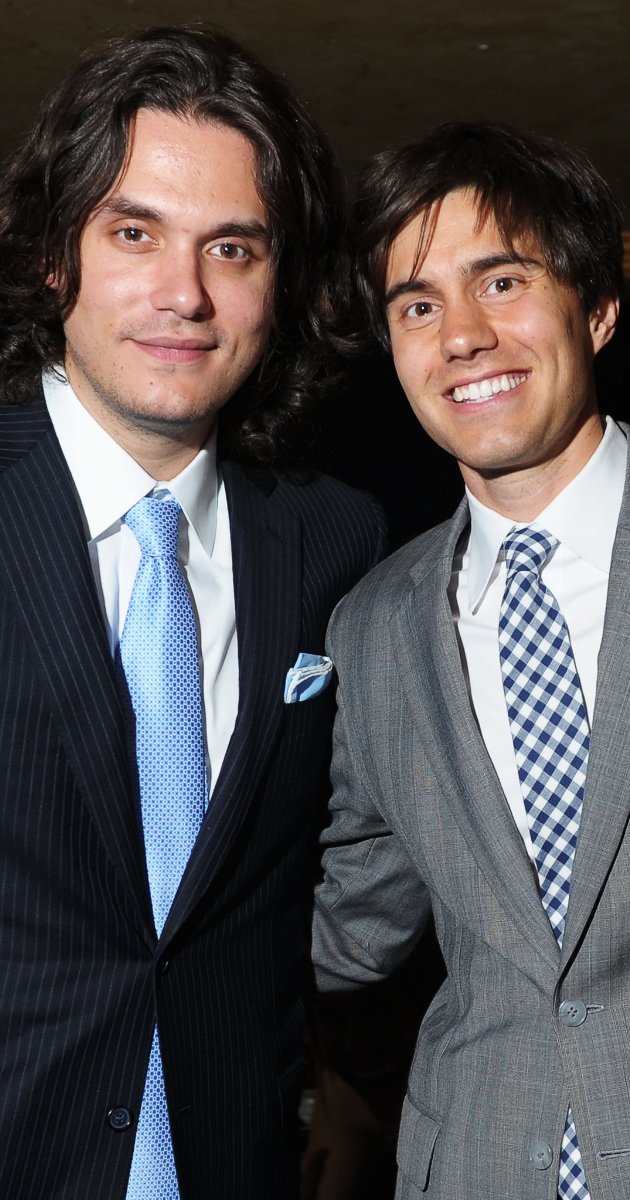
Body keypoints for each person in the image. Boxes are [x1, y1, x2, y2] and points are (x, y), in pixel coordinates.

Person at [0, 25, 386, 1200]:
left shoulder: (337, 540)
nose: (185, 294)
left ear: (280, 284)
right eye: (134, 233)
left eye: (233, 247)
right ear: (54, 256)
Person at [313, 121, 629, 1200]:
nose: (461, 336)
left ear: (598, 306)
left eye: (500, 282)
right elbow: (349, 926)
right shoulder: (373, 630)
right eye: (417, 305)